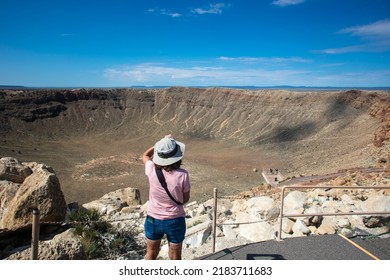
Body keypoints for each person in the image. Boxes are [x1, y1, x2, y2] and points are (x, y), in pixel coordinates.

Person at [142, 134, 191, 260]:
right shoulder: (183, 175)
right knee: (175, 255)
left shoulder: (151, 169)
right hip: (175, 220)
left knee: (151, 253)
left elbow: (145, 156)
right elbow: (184, 200)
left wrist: (158, 145)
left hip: (153, 218)